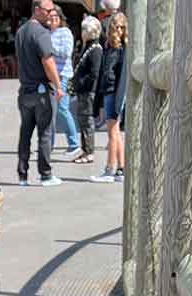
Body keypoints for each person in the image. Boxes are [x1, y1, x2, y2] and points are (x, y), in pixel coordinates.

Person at [14, 0, 63, 188]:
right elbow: (48, 61)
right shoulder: (41, 33)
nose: (51, 13)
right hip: (41, 91)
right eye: (48, 10)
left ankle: (22, 175)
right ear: (37, 10)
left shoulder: (21, 32)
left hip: (25, 91)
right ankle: (46, 174)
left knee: (25, 133)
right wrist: (58, 86)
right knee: (44, 133)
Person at [91, 8, 126, 183]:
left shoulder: (122, 49)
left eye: (122, 27)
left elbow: (121, 77)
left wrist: (120, 100)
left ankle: (109, 169)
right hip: (108, 92)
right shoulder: (109, 47)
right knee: (115, 132)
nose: (119, 30)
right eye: (117, 27)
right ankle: (120, 169)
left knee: (112, 132)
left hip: (114, 93)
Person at [47, 7, 79, 157]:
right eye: (50, 16)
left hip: (62, 76)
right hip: (49, 76)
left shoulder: (65, 32)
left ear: (60, 18)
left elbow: (66, 52)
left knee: (62, 109)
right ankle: (49, 144)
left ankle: (74, 144)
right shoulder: (47, 33)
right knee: (49, 112)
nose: (53, 19)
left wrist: (49, 49)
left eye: (55, 16)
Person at [70, 14, 102, 165]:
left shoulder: (95, 49)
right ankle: (84, 149)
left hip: (88, 92)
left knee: (87, 121)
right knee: (82, 120)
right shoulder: (87, 46)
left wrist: (82, 84)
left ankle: (89, 151)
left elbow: (94, 73)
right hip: (83, 91)